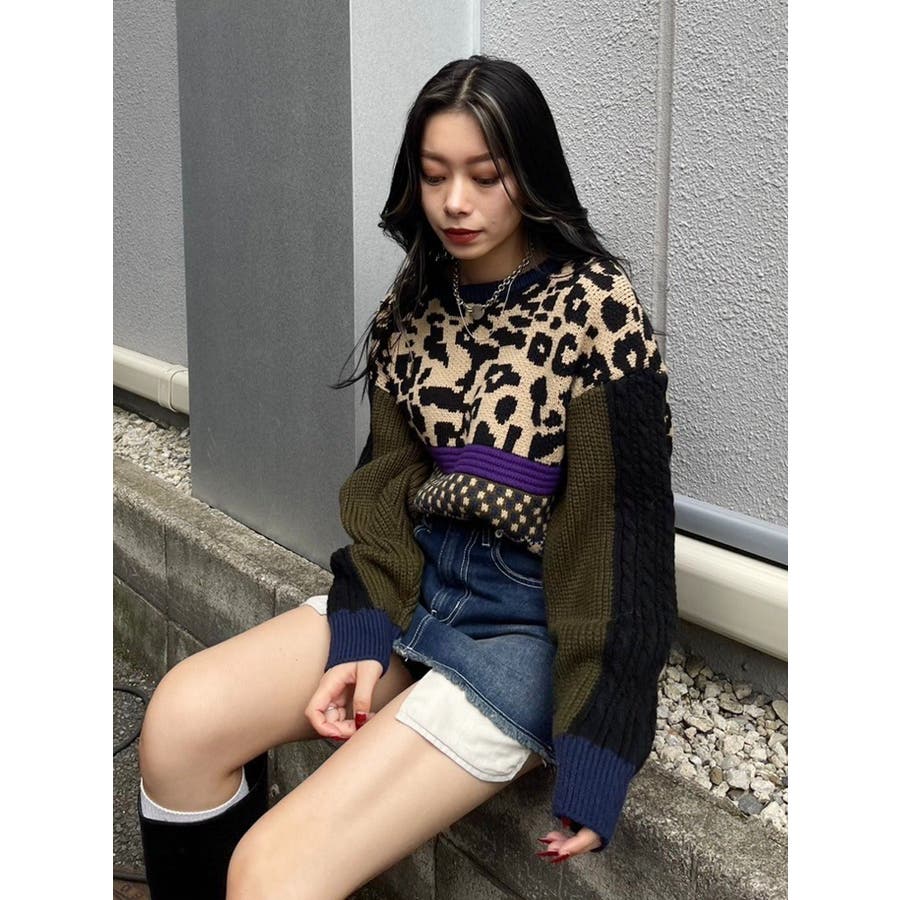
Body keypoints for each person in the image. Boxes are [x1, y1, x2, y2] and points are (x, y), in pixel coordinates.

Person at [136, 53, 677, 898]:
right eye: (434, 175)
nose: (456, 201)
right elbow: (383, 493)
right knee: (180, 721)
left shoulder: (597, 310)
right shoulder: (414, 305)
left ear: (530, 173)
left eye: (485, 176)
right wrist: (362, 634)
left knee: (270, 873)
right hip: (417, 589)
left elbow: (625, 547)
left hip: (525, 630)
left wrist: (598, 749)